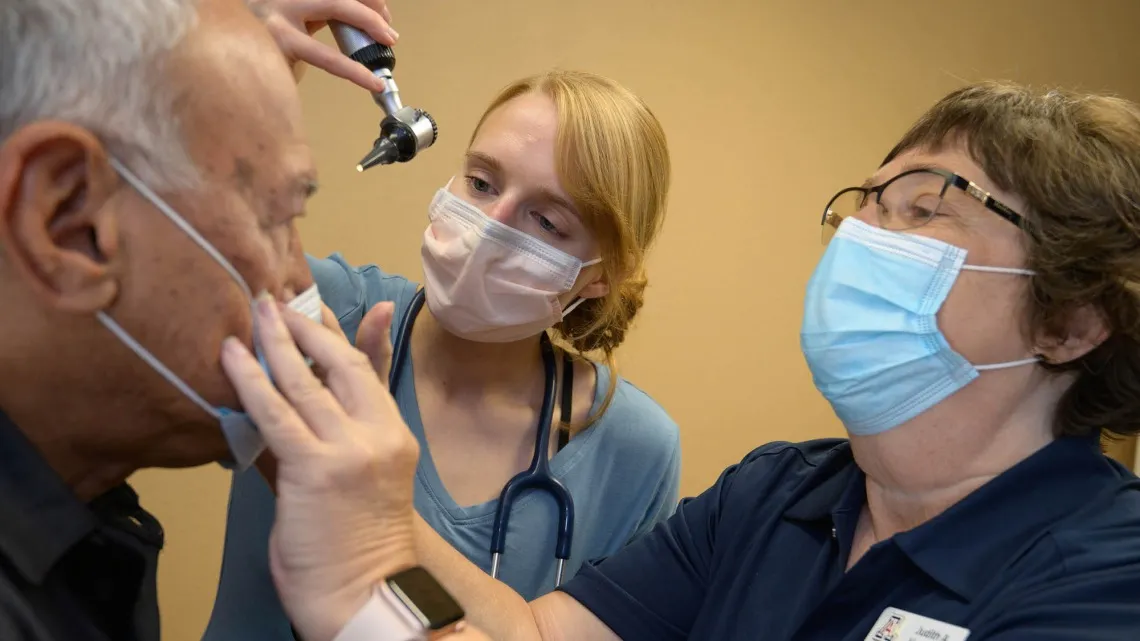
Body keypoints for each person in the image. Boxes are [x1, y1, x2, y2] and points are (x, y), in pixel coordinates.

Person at [242, 81, 1140, 640]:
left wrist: (362, 579)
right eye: (865, 200)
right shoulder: (777, 496)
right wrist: (372, 556)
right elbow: (529, 633)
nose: (862, 232)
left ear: (1068, 321)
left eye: (923, 208)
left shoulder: (1108, 577)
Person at [0, 0, 463, 639]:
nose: (304, 288)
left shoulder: (85, 534)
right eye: (277, 220)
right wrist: (378, 571)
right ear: (68, 221)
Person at [206, 60, 681, 641]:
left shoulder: (633, 450)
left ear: (604, 275)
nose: (489, 225)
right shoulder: (326, 311)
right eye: (481, 183)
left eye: (548, 222)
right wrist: (251, 66)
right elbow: (153, 215)